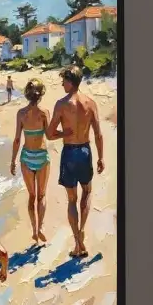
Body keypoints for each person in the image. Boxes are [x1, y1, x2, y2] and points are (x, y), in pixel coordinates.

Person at [45, 66, 104, 257]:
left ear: (71, 82)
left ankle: (78, 242)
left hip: (69, 152)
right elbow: (98, 134)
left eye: (64, 80)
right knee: (87, 192)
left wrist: (64, 133)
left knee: (72, 199)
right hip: (85, 151)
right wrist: (101, 157)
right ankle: (82, 231)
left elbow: (49, 134)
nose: (62, 84)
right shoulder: (90, 103)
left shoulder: (62, 104)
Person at [10, 77, 67, 244]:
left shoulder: (21, 114)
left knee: (32, 196)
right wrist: (65, 133)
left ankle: (34, 229)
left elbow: (17, 140)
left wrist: (13, 161)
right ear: (41, 94)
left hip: (26, 157)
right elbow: (49, 135)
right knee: (41, 195)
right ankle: (40, 227)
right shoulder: (44, 113)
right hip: (41, 156)